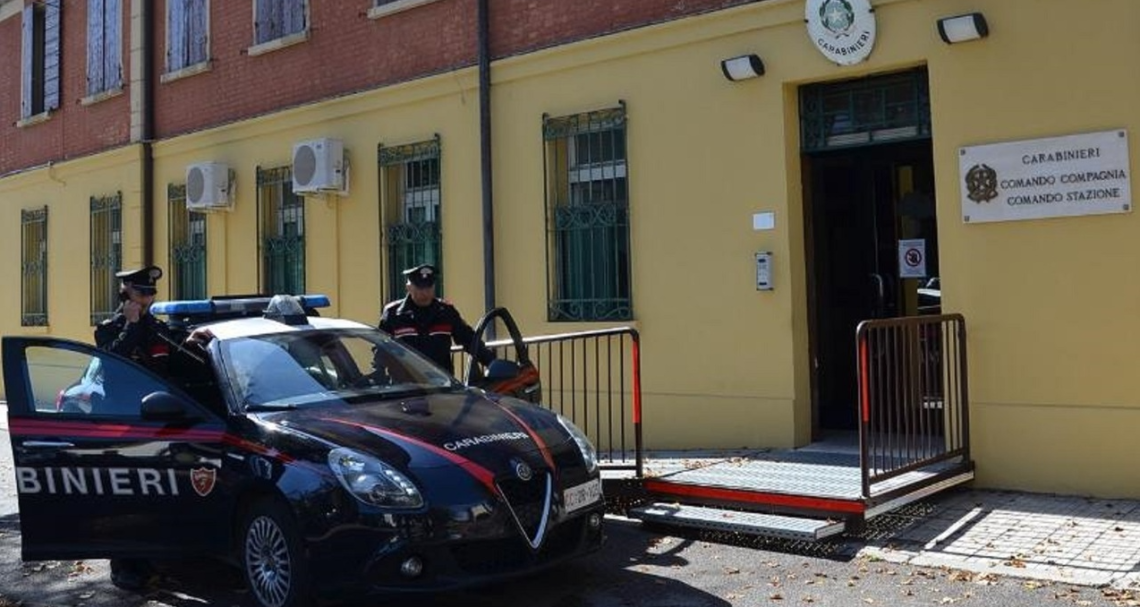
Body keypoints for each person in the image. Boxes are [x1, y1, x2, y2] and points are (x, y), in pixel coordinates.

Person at [92, 265, 171, 591]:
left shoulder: (157, 327)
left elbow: (166, 368)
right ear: (126, 294)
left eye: (151, 293)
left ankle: (147, 560)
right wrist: (132, 325)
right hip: (120, 425)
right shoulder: (108, 329)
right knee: (122, 498)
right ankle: (123, 566)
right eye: (142, 293)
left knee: (149, 497)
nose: (148, 298)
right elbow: (113, 363)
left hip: (153, 423)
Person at [378, 264, 495, 375]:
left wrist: (492, 362)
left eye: (429, 287)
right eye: (420, 288)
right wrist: (378, 375)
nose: (425, 292)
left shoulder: (446, 312)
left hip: (441, 382)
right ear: (409, 287)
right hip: (406, 383)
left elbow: (468, 339)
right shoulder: (393, 313)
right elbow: (381, 347)